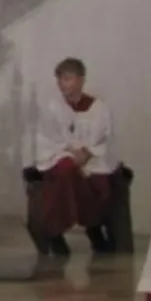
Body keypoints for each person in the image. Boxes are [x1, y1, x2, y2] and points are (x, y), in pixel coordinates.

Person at [25, 57, 120, 255]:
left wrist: (88, 153)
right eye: (59, 79)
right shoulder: (52, 107)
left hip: (92, 159)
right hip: (60, 156)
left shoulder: (98, 108)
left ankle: (60, 230)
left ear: (80, 80)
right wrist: (70, 151)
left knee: (100, 185)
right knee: (67, 170)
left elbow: (105, 138)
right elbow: (47, 138)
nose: (62, 84)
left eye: (67, 78)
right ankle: (75, 229)